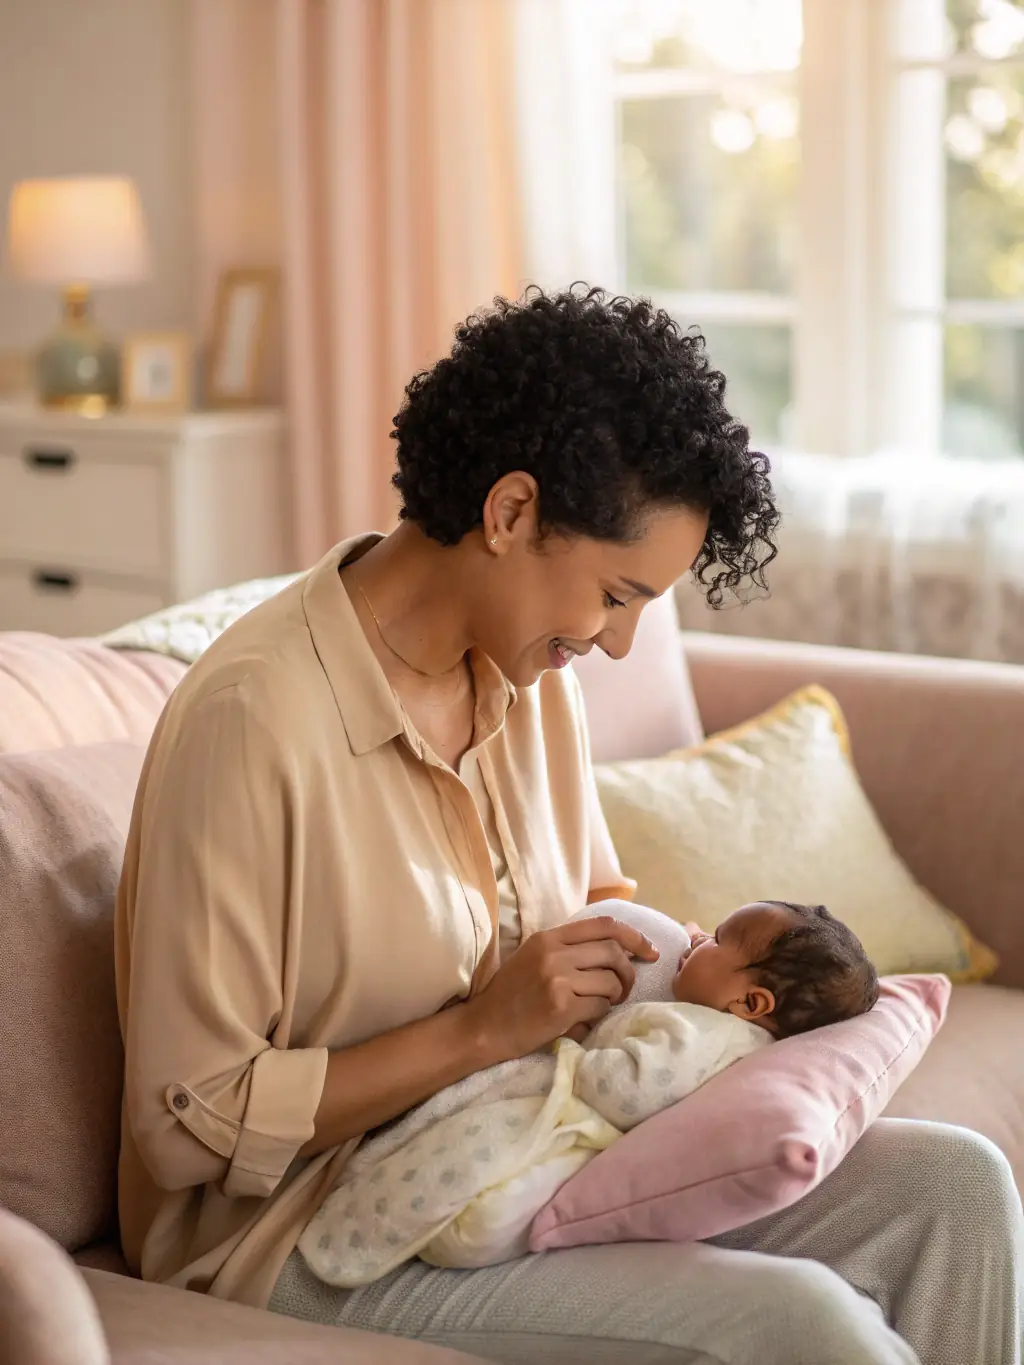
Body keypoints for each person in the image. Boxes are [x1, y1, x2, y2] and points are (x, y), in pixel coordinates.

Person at [116, 287, 1022, 1365]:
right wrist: (477, 1031)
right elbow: (184, 1129)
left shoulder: (530, 680)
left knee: (953, 1188)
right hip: (320, 1232)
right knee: (800, 1328)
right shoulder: (252, 721)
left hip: (541, 1141)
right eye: (616, 594)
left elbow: (595, 915)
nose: (622, 644)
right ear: (507, 514)